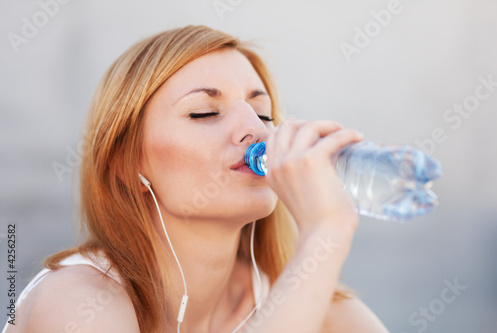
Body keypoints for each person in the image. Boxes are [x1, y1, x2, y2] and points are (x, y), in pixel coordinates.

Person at [4, 25, 389, 333]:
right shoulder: (76, 302)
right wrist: (325, 230)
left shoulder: (316, 308)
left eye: (263, 113)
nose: (254, 130)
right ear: (126, 163)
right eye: (204, 112)